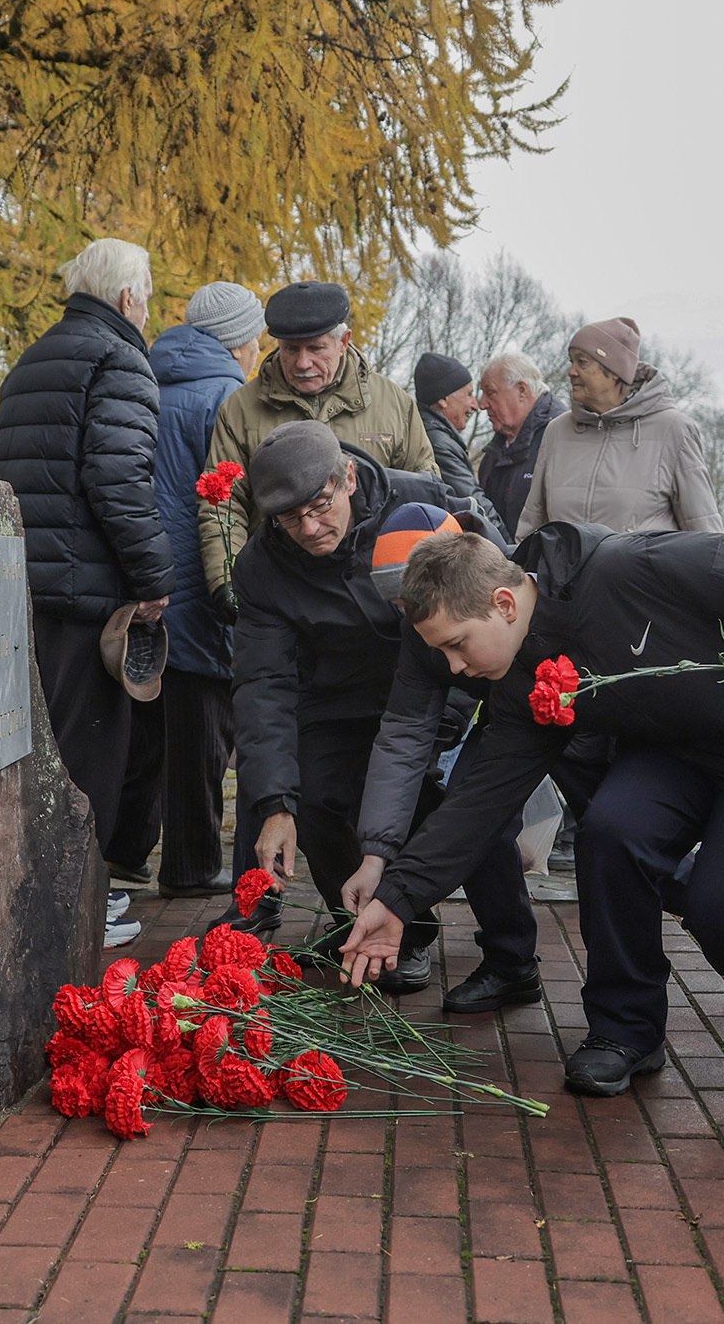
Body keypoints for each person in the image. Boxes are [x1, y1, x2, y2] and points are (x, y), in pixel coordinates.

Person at [340, 528, 724, 1095]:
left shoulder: (629, 567)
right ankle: (624, 1029)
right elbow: (480, 801)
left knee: (721, 905)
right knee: (609, 833)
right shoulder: (518, 680)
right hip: (674, 756)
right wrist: (400, 898)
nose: (454, 667)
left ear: (503, 604)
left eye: (457, 644)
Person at [232, 421, 507, 994]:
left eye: (320, 506)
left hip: (435, 682)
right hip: (333, 696)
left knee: (452, 801)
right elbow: (264, 684)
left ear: (348, 478)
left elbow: (492, 596)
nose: (309, 529)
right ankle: (366, 924)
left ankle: (505, 949)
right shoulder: (262, 566)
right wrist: (273, 804)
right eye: (289, 519)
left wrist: (451, 709)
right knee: (311, 788)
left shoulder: (424, 504)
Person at [0, 238, 174, 909]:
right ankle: (75, 905)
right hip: (86, 593)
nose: (149, 309)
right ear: (129, 297)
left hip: (27, 587)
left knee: (39, 755)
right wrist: (155, 576)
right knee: (88, 759)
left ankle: (35, 893)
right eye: (148, 296)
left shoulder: (34, 358)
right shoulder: (121, 360)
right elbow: (119, 478)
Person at [117, 282, 268, 899]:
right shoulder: (229, 397)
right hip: (205, 583)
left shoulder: (145, 380)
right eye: (256, 335)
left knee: (149, 730)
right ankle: (192, 866)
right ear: (239, 340)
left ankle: (125, 852)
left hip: (147, 580)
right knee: (205, 734)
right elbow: (233, 500)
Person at [198, 282, 439, 608]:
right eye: (290, 350)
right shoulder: (240, 409)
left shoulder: (393, 403)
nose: (302, 363)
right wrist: (229, 581)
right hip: (279, 592)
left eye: (315, 348)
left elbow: (424, 493)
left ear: (344, 341)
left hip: (374, 593)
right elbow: (224, 507)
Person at [515, 318, 723, 541]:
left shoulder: (675, 430)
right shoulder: (557, 431)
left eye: (582, 362)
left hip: (643, 577)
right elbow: (531, 527)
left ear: (614, 371)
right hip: (563, 577)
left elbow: (706, 536)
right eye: (571, 361)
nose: (571, 371)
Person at [474, 351, 565, 542]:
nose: (482, 404)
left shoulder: (563, 437)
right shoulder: (495, 450)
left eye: (490, 392)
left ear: (522, 390)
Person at [413, 352, 485, 498]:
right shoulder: (439, 444)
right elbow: (472, 501)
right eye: (469, 394)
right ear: (444, 399)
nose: (475, 405)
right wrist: (496, 522)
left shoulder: (429, 435)